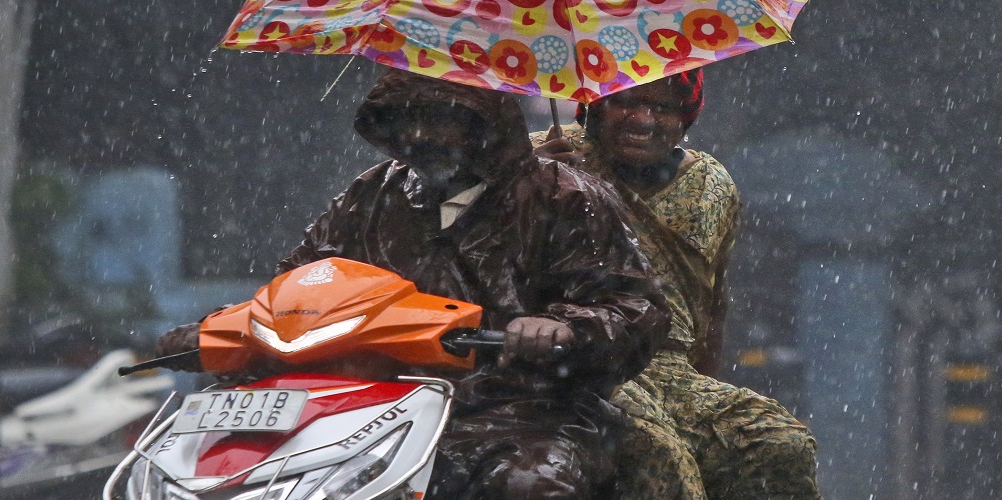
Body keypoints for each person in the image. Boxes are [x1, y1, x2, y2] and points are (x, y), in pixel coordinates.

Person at [158, 68, 668, 500]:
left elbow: (632, 309)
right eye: (408, 118)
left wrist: (559, 329)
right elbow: (297, 289)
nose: (422, 134)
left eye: (442, 118)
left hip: (513, 409)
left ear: (486, 122)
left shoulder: (564, 197)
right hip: (361, 404)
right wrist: (224, 328)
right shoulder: (370, 193)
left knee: (527, 484)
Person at [533, 70, 821, 499]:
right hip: (582, 361)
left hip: (671, 373)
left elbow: (711, 304)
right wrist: (540, 186)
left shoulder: (711, 186)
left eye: (663, 108)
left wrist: (704, 395)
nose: (643, 119)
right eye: (626, 101)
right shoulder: (540, 159)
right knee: (660, 453)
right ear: (592, 106)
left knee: (779, 443)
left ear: (685, 118)